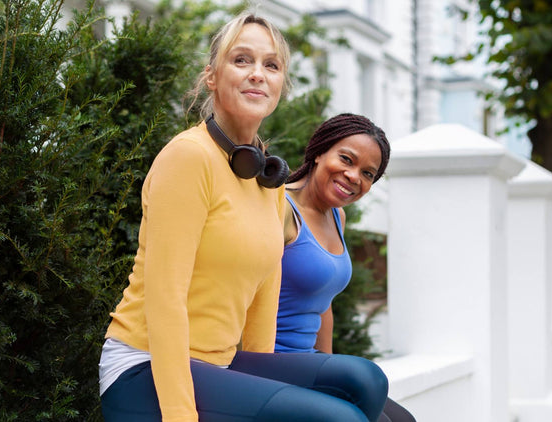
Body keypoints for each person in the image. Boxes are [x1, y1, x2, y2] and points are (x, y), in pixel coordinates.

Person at [98, 13, 388, 422]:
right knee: (340, 420)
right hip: (145, 366)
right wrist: (181, 415)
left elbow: (261, 314)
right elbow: (163, 299)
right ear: (212, 76)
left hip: (220, 363)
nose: (257, 74)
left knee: (366, 381)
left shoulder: (266, 177)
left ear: (280, 85)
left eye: (271, 65)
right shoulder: (189, 157)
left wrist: (267, 388)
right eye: (242, 60)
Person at [276, 113, 416, 422]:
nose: (354, 176)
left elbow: (323, 304)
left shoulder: (336, 217)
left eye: (368, 173)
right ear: (318, 152)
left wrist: (327, 367)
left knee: (402, 420)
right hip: (269, 362)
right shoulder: (280, 209)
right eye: (346, 159)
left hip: (308, 363)